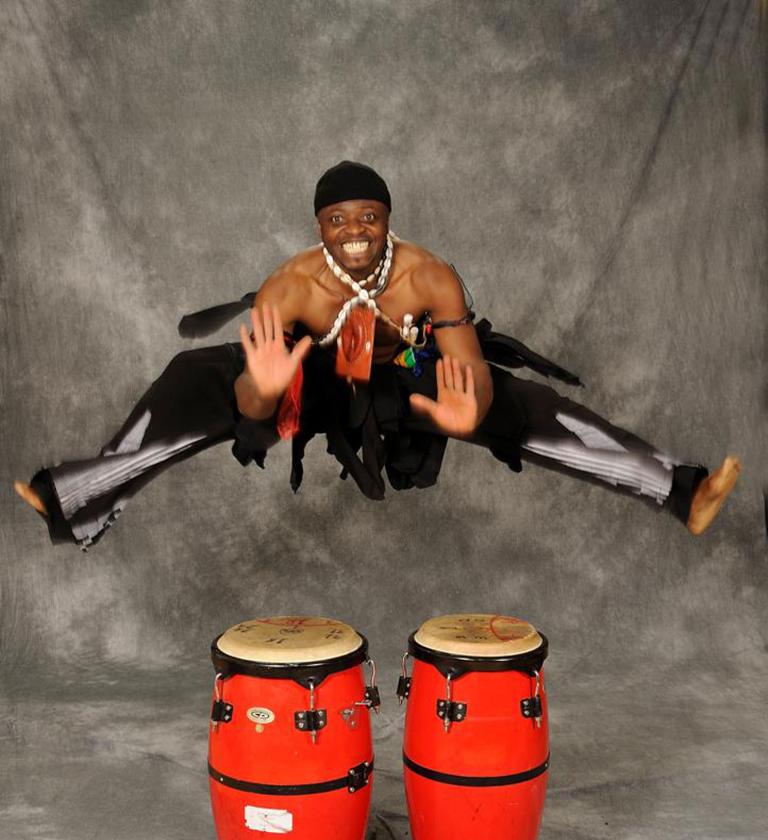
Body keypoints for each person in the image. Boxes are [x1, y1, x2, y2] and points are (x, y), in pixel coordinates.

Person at [15, 161, 740, 549]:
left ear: (388, 221)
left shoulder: (428, 276)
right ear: (319, 228)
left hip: (410, 372)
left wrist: (470, 411)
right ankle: (79, 499)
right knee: (187, 379)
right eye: (339, 220)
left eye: (369, 217)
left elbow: (470, 372)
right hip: (318, 377)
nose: (355, 231)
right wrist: (263, 391)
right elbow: (249, 412)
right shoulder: (291, 286)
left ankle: (678, 492)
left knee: (530, 408)